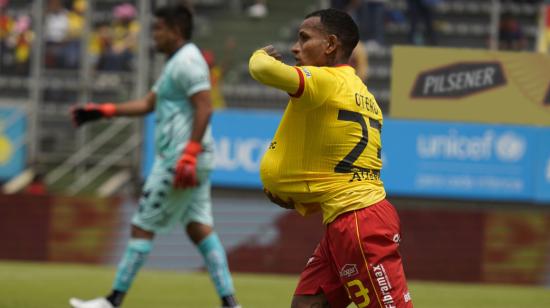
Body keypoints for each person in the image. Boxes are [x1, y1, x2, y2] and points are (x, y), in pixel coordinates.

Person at [68, 4, 240, 308]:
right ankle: (230, 303)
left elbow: (204, 105)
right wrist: (104, 111)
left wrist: (188, 153)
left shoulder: (187, 62)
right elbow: (149, 103)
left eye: (158, 29)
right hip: (193, 158)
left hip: (179, 158)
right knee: (199, 226)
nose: (153, 36)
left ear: (174, 31)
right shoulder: (178, 62)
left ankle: (112, 301)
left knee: (141, 226)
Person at [249, 8, 412, 308]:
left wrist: (259, 54)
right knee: (307, 304)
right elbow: (341, 167)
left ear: (330, 45)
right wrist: (301, 196)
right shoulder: (363, 94)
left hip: (360, 222)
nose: (295, 48)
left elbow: (263, 70)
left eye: (304, 38)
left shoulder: (326, 81)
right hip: (350, 217)